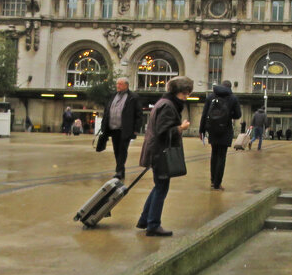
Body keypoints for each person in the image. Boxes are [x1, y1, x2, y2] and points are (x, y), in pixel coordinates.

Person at [137, 76, 193, 237]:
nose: (186, 97)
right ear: (176, 92)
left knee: (158, 186)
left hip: (156, 151)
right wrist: (180, 128)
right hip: (160, 152)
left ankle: (145, 219)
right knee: (161, 187)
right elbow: (163, 131)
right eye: (184, 93)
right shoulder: (168, 106)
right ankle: (153, 225)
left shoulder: (163, 103)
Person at [99, 78, 143, 180]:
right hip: (113, 128)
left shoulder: (133, 97)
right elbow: (107, 110)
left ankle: (119, 171)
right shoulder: (113, 95)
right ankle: (121, 170)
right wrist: (103, 125)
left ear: (126, 85)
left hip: (125, 129)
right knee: (116, 150)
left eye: (120, 84)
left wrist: (136, 128)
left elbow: (139, 114)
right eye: (117, 84)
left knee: (122, 150)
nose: (117, 86)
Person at [201, 80, 241, 190]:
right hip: (225, 129)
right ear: (230, 87)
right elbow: (238, 115)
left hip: (212, 129)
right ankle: (218, 183)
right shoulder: (233, 98)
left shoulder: (211, 96)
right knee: (221, 156)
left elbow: (204, 114)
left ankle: (213, 180)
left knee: (214, 154)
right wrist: (228, 114)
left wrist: (202, 130)